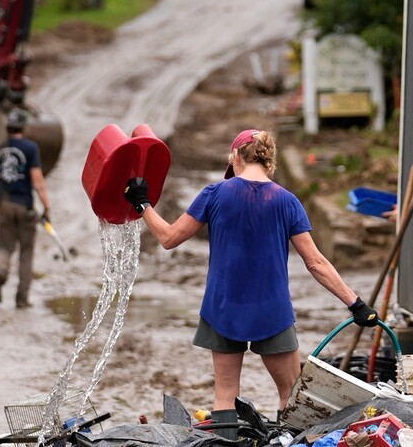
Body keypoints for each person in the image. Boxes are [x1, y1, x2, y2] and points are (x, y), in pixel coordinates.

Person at [123, 129, 377, 434]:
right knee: (291, 394)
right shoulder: (287, 201)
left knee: (225, 393)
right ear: (268, 162)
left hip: (223, 308)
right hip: (272, 311)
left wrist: (143, 204)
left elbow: (168, 238)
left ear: (235, 157)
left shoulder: (215, 194)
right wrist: (355, 303)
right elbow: (316, 262)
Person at [0, 108, 51, 308]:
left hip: (4, 204)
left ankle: (0, 273)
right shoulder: (31, 148)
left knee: (4, 246)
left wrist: (7, 179)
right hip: (25, 205)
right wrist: (47, 206)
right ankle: (21, 298)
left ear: (7, 126)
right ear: (23, 126)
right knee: (26, 251)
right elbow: (37, 180)